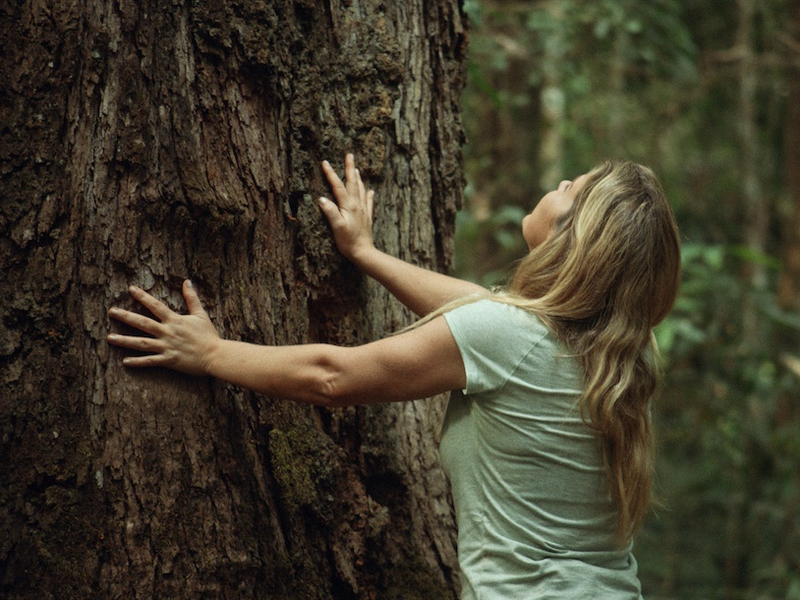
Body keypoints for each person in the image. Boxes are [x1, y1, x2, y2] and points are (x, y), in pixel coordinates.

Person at [108, 153, 681, 599]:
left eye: (569, 190)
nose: (557, 186)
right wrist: (368, 254)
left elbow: (333, 377)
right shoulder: (626, 355)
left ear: (573, 237)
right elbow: (484, 307)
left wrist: (210, 353)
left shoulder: (506, 337)